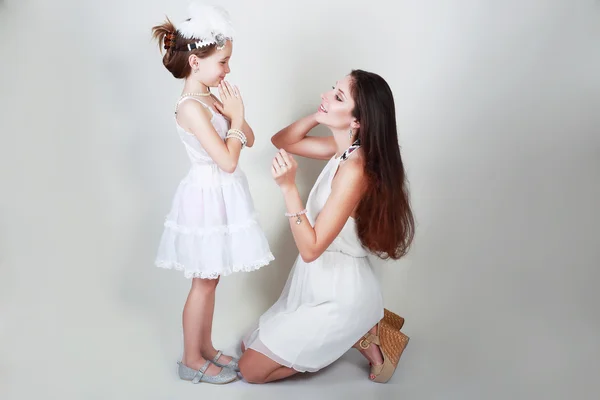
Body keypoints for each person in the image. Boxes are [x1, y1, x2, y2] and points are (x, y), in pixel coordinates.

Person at [239, 70, 415, 384]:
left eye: (337, 96)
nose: (325, 94)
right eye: (332, 89)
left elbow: (310, 249)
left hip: (340, 294)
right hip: (316, 283)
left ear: (357, 121)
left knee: (250, 370)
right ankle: (363, 331)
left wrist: (288, 188)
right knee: (246, 344)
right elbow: (283, 140)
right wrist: (325, 113)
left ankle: (362, 331)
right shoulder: (342, 151)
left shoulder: (355, 171)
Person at [151, 2, 273, 385]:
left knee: (212, 278)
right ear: (195, 63)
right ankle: (191, 358)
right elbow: (227, 161)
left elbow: (249, 138)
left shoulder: (210, 99)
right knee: (203, 280)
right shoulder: (190, 107)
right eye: (223, 61)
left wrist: (234, 112)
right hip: (205, 195)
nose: (228, 69)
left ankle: (204, 347)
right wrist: (233, 118)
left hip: (223, 196)